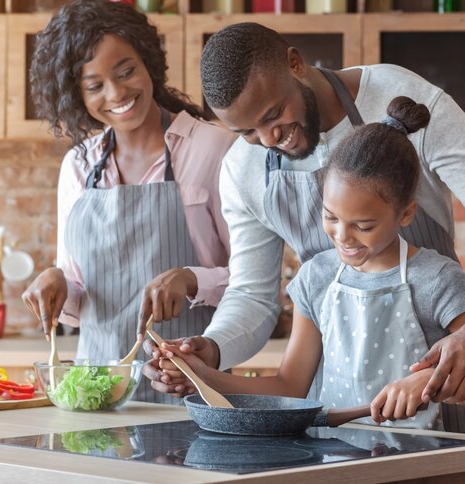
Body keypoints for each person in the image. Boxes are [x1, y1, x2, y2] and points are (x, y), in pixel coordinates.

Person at [143, 22, 465, 404]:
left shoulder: (401, 99)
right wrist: (210, 352)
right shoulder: (242, 170)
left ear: (295, 63)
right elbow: (252, 295)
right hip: (334, 395)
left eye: (274, 113)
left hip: (442, 378)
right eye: (247, 131)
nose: (269, 140)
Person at [21, 0, 235, 403]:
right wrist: (57, 281)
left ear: (148, 61)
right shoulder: (79, 166)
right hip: (98, 396)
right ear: (75, 94)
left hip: (191, 387)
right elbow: (79, 284)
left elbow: (253, 285)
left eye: (126, 72)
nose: (117, 93)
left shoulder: (215, 149)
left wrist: (191, 278)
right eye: (95, 85)